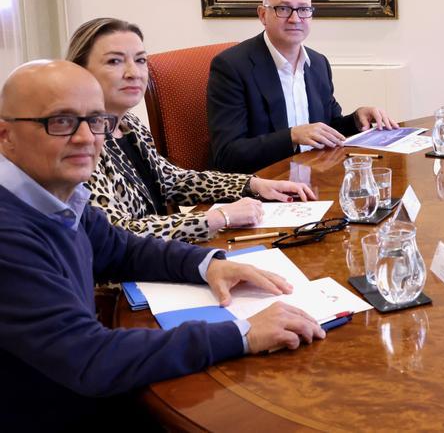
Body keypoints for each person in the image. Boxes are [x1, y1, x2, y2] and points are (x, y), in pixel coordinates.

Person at [0, 60, 327, 427]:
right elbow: (91, 358)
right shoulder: (9, 235)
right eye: (60, 121)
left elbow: (123, 249)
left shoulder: (58, 195)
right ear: (4, 135)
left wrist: (209, 265)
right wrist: (242, 333)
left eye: (96, 120)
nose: (85, 138)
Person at [67, 18, 316, 242]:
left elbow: (172, 181)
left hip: (161, 258)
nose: (134, 73)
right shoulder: (77, 141)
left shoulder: (128, 124)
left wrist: (253, 185)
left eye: (140, 60)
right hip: (122, 283)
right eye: (115, 61)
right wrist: (217, 218)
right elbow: (116, 234)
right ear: (80, 70)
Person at [208, 0, 397, 173]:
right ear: (263, 14)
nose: (295, 19)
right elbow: (227, 155)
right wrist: (292, 136)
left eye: (304, 9)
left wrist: (356, 119)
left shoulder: (317, 63)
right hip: (264, 185)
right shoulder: (231, 67)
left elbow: (328, 128)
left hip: (313, 176)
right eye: (283, 9)